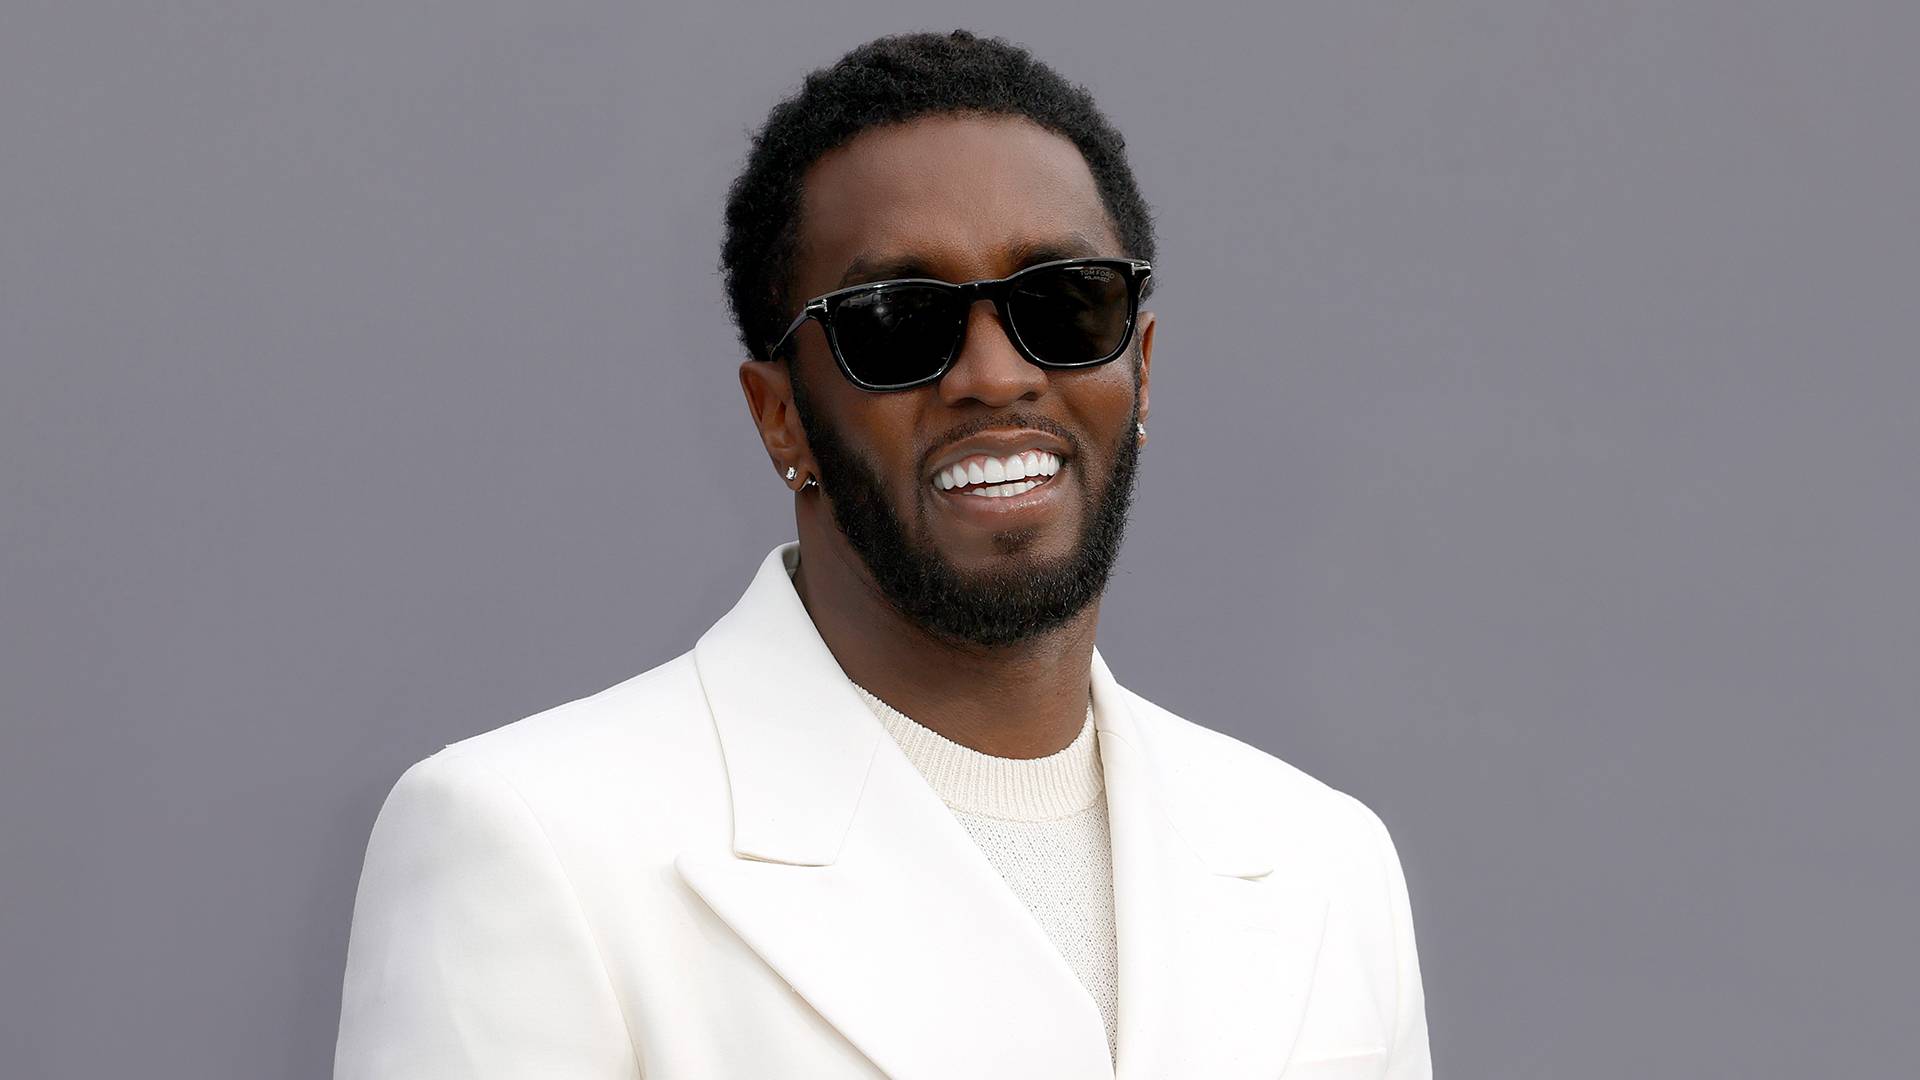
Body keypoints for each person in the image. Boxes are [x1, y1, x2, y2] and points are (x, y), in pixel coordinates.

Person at [334, 29, 1431, 1080]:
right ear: (781, 420)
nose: (996, 376)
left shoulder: (1327, 862)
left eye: (1064, 302)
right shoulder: (533, 847)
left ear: (1140, 367)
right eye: (898, 322)